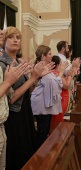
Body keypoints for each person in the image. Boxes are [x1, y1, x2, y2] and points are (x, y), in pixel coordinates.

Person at [0, 26, 46, 170]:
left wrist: (36, 78)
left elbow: (28, 91)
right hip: (14, 115)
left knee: (28, 150)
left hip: (25, 110)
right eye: (11, 37)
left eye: (18, 37)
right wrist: (32, 79)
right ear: (4, 42)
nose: (15, 40)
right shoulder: (2, 64)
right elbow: (10, 99)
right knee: (18, 154)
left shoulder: (20, 63)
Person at [31, 46, 66, 147]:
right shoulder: (40, 67)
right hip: (42, 105)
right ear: (43, 56)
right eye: (50, 54)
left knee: (44, 130)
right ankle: (39, 157)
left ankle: (41, 154)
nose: (52, 56)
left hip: (44, 103)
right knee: (42, 131)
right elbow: (54, 86)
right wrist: (60, 73)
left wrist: (58, 76)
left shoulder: (46, 67)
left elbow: (54, 84)